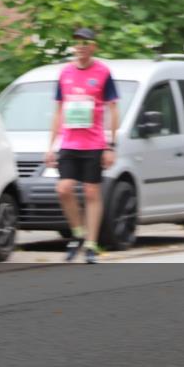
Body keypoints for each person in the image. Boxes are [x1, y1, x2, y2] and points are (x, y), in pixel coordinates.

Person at [44, 28, 120, 263]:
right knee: (63, 189)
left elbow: (113, 109)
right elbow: (58, 110)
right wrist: (50, 146)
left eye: (86, 42)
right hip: (69, 142)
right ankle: (78, 233)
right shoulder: (65, 73)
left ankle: (90, 244)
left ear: (93, 46)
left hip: (95, 142)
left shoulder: (103, 72)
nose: (81, 46)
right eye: (77, 42)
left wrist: (111, 145)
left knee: (91, 191)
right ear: (74, 46)